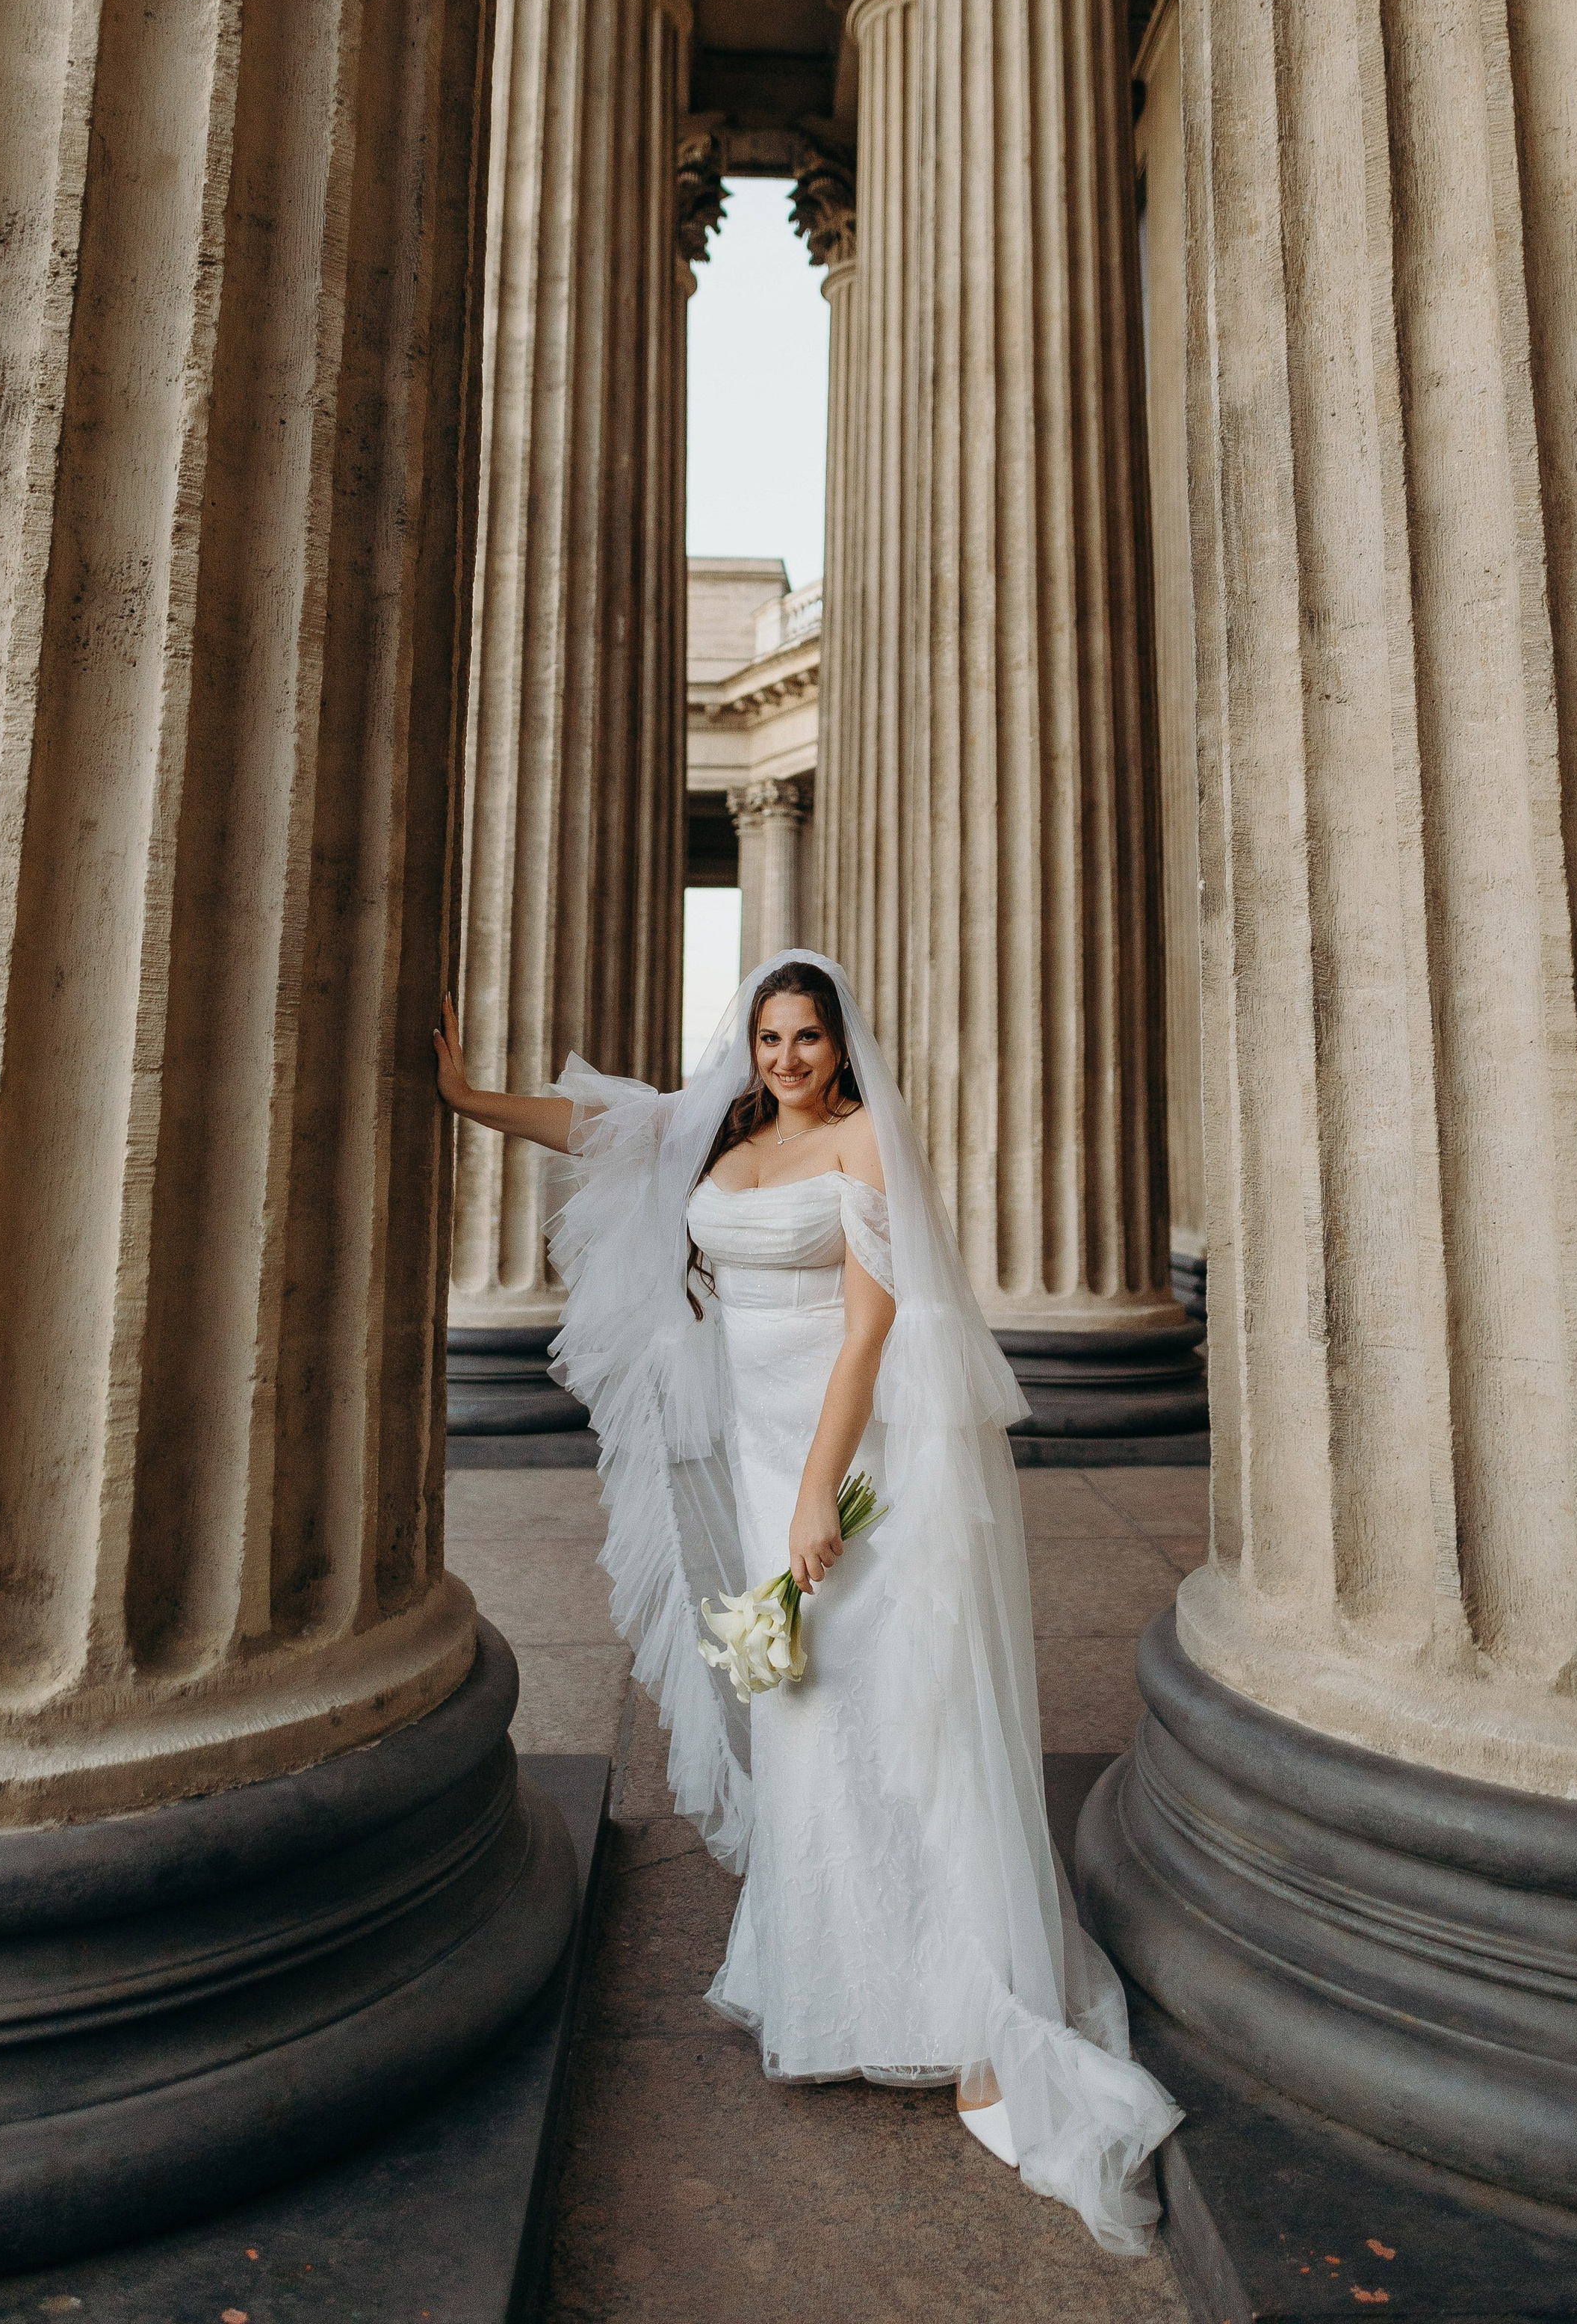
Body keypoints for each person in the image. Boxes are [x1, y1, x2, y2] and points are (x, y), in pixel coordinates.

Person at [434, 949, 1180, 2249]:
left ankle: (961, 2005)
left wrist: (818, 1495)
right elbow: (600, 1126)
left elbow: (871, 1329)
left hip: (849, 1452)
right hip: (761, 1436)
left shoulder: (864, 1141)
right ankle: (840, 1987)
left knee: (893, 1712)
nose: (787, 1059)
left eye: (807, 1040)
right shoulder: (719, 1126)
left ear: (842, 1045)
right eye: (770, 1037)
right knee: (805, 1713)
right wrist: (465, 1096)